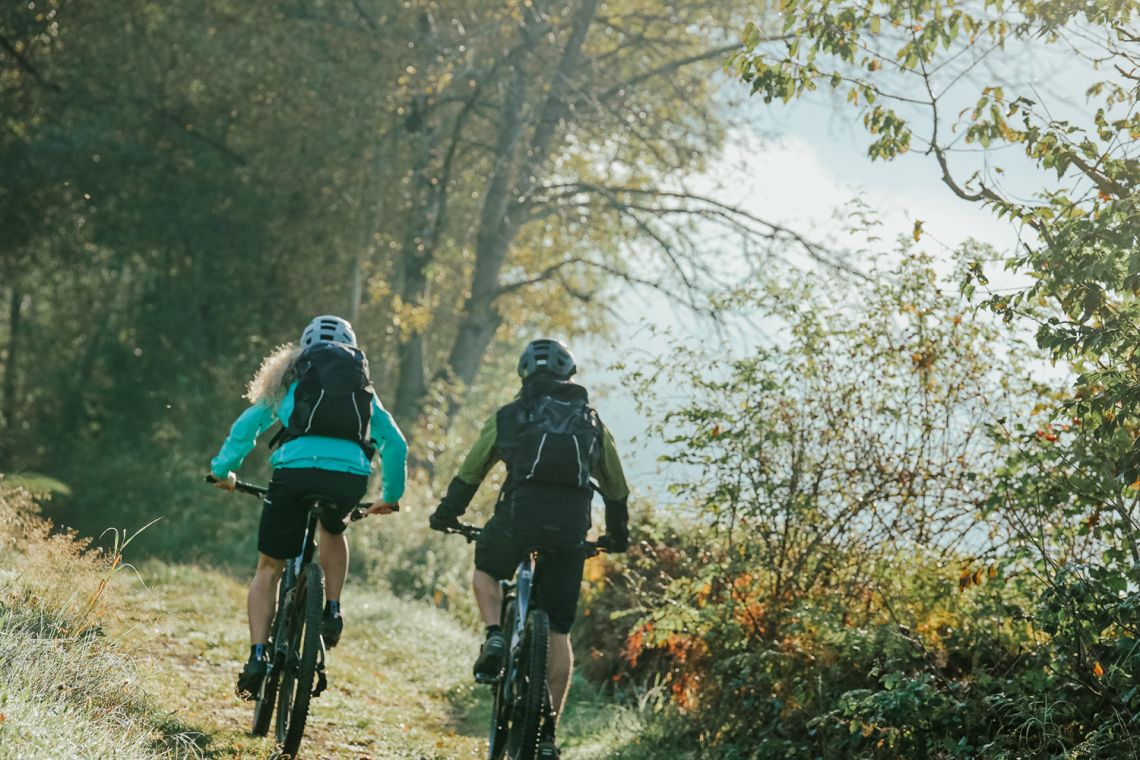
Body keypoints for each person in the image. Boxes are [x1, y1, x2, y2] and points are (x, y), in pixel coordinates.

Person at [429, 338, 630, 760]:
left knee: (486, 566)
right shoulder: (591, 421)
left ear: (524, 375)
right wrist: (617, 536)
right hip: (571, 529)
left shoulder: (510, 415)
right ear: (568, 376)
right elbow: (616, 486)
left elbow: (473, 469)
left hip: (518, 520)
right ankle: (548, 736)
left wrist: (448, 513)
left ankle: (495, 636)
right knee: (558, 628)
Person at [210, 315, 407, 699]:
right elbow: (396, 444)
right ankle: (332, 609)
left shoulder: (291, 382)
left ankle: (257, 655)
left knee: (269, 567)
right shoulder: (362, 388)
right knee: (333, 528)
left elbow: (246, 427)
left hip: (294, 474)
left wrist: (223, 470)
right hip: (349, 478)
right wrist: (390, 496)